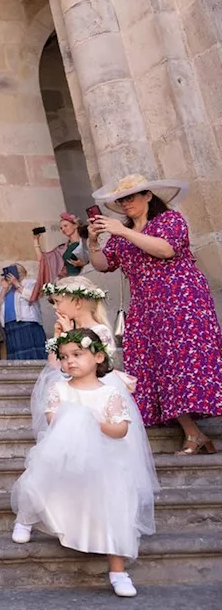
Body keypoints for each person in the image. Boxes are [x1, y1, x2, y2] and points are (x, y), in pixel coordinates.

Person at [10, 329, 157, 598]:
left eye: (77, 354)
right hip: (65, 453)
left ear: (98, 356)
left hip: (105, 459)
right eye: (64, 357)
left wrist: (94, 422)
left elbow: (121, 429)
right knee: (39, 477)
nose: (70, 362)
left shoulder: (110, 393)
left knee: (116, 503)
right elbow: (54, 420)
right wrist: (76, 417)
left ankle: (118, 569)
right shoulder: (60, 389)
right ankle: (26, 516)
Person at [89, 174, 222, 455]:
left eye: (132, 197)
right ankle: (193, 434)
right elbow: (102, 265)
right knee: (154, 368)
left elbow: (165, 249)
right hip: (146, 305)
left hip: (182, 300)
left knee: (187, 361)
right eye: (122, 199)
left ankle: (196, 434)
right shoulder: (120, 234)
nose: (126, 203)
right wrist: (92, 242)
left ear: (148, 196)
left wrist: (123, 232)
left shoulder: (169, 221)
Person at [0, 263, 47, 360]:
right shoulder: (7, 287)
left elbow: (33, 297)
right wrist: (4, 288)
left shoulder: (31, 283)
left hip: (27, 321)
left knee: (31, 351)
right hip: (10, 323)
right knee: (16, 353)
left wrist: (17, 284)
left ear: (21, 273)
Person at [36, 212, 87, 285]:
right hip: (69, 282)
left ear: (75, 225)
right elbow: (43, 259)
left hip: (84, 281)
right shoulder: (62, 248)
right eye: (61, 228)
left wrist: (83, 264)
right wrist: (36, 240)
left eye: (66, 226)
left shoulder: (86, 243)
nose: (63, 229)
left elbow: (97, 262)